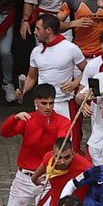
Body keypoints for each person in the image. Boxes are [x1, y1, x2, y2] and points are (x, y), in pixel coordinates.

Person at [0, 85, 71, 206]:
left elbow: (61, 142)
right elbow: (4, 132)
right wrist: (14, 119)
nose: (48, 107)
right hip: (25, 177)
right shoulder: (27, 119)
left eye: (51, 103)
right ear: (36, 102)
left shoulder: (63, 121)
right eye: (43, 103)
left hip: (48, 178)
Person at [19, 15, 87, 151]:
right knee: (41, 141)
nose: (35, 32)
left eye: (38, 29)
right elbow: (32, 77)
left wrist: (75, 84)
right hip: (42, 105)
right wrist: (23, 90)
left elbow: (87, 70)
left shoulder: (70, 48)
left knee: (67, 142)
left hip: (64, 103)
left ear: (48, 30)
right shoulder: (36, 51)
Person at [31, 137, 92, 206]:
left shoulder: (85, 168)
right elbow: (43, 166)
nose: (62, 162)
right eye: (58, 157)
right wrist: (34, 178)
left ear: (73, 154)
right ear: (53, 154)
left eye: (67, 157)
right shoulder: (50, 160)